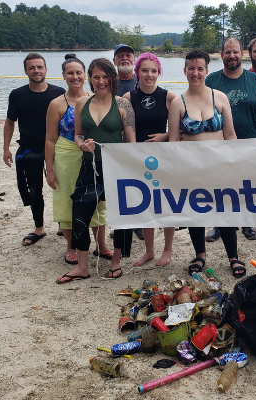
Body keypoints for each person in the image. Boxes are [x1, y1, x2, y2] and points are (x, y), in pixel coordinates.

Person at [55, 58, 137, 283]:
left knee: (121, 216)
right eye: (96, 77)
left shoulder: (123, 105)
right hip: (89, 165)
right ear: (90, 79)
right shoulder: (82, 103)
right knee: (80, 213)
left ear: (113, 77)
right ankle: (82, 267)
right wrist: (82, 145)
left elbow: (131, 142)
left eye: (105, 76)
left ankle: (116, 262)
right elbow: (78, 134)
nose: (101, 81)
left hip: (116, 168)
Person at [168, 49, 246, 279]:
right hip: (191, 167)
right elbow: (173, 141)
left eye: (200, 68)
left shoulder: (219, 98)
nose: (195, 73)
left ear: (206, 71)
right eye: (191, 68)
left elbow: (230, 134)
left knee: (224, 210)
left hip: (219, 165)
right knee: (196, 211)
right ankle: (200, 254)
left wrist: (237, 161)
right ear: (184, 71)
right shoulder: (177, 103)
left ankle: (233, 256)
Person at [45, 54, 112, 266]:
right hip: (65, 156)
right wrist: (50, 169)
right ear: (64, 76)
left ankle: (100, 244)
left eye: (79, 72)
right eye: (70, 73)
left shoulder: (95, 97)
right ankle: (71, 245)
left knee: (96, 201)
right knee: (67, 200)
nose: (75, 77)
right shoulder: (56, 104)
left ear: (86, 75)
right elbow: (49, 139)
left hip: (92, 156)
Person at [204, 37, 256, 242]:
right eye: (227, 52)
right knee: (219, 185)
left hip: (249, 143)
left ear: (242, 54)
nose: (232, 56)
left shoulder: (255, 80)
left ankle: (247, 223)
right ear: (221, 55)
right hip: (218, 143)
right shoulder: (211, 81)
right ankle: (219, 224)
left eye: (235, 52)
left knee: (247, 186)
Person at [3, 53, 65, 246]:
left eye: (40, 67)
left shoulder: (59, 92)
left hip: (56, 147)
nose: (36, 71)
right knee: (34, 190)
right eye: (32, 68)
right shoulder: (17, 95)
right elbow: (10, 122)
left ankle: (63, 224)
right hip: (30, 148)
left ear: (46, 69)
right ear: (25, 71)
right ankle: (39, 228)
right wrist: (6, 148)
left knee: (62, 186)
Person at [123, 53, 177, 267]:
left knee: (166, 204)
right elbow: (128, 129)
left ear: (159, 73)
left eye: (153, 70)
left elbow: (182, 125)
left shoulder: (169, 97)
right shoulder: (128, 98)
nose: (149, 74)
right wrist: (134, 151)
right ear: (137, 72)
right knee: (145, 204)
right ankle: (149, 250)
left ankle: (168, 249)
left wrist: (164, 136)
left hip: (163, 157)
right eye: (145, 70)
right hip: (139, 157)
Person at [112, 43, 143, 241]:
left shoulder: (142, 81)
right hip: (116, 142)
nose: (125, 58)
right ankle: (121, 225)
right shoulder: (109, 84)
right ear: (114, 61)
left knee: (139, 184)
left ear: (134, 60)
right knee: (119, 187)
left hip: (139, 141)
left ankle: (139, 224)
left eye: (129, 55)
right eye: (120, 55)